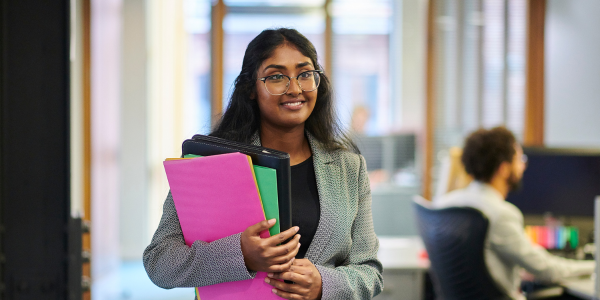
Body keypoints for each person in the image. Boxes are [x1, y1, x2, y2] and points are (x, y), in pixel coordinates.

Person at [143, 28, 383, 300]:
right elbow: (159, 263)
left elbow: (369, 272)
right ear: (251, 89)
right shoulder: (210, 163)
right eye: (277, 77)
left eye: (305, 74)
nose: (294, 88)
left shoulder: (349, 168)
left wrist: (323, 284)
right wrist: (242, 254)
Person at [432, 126, 595, 300]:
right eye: (519, 159)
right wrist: (594, 266)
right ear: (503, 168)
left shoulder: (445, 202)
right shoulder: (501, 214)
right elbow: (549, 270)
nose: (523, 167)